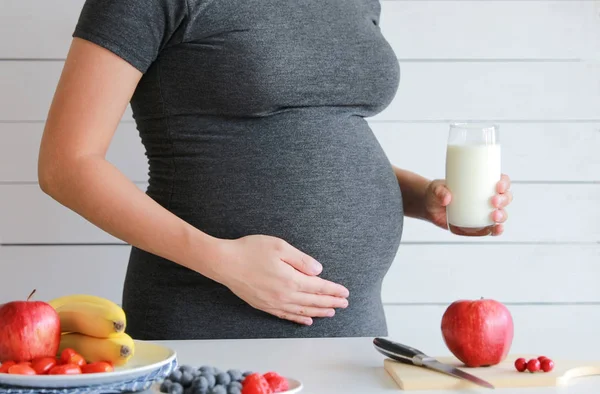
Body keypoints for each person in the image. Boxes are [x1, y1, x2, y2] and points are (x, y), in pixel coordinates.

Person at [37, 0, 513, 340]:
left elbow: (319, 134)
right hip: (208, 317)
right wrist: (224, 262)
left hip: (355, 324)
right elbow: (66, 164)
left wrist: (421, 195)